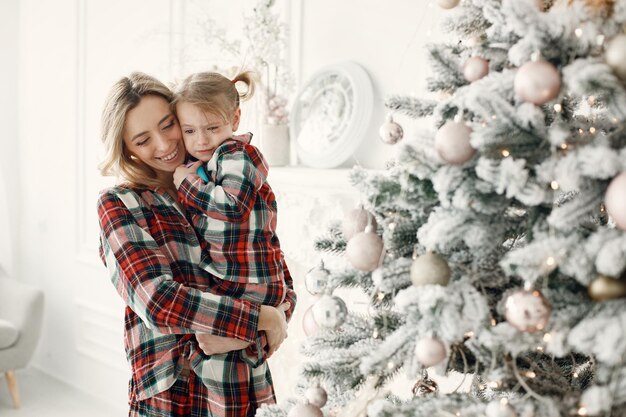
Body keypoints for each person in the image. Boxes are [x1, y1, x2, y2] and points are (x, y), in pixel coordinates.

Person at [97, 72, 297, 417]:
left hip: (243, 385)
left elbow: (275, 269)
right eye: (143, 140)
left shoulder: (224, 182)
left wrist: (272, 321)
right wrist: (258, 319)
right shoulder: (120, 204)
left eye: (168, 125)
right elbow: (158, 302)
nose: (164, 145)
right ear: (127, 149)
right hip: (174, 394)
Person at [169, 71, 288, 416]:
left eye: (212, 127)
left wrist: (186, 185)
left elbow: (233, 208)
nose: (201, 139)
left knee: (226, 372)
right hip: (233, 282)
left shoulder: (238, 154)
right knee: (237, 372)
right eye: (190, 131)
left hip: (251, 283)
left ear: (234, 119)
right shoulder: (206, 164)